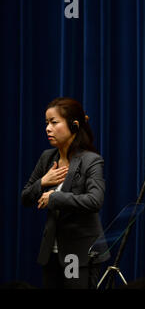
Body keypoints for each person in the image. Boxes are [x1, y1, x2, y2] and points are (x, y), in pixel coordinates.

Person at [21, 97, 109, 289]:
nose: (48, 128)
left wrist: (55, 197)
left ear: (74, 126)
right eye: (46, 123)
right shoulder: (47, 158)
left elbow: (95, 201)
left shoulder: (90, 161)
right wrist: (43, 182)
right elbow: (26, 197)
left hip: (77, 254)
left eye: (54, 122)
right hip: (50, 254)